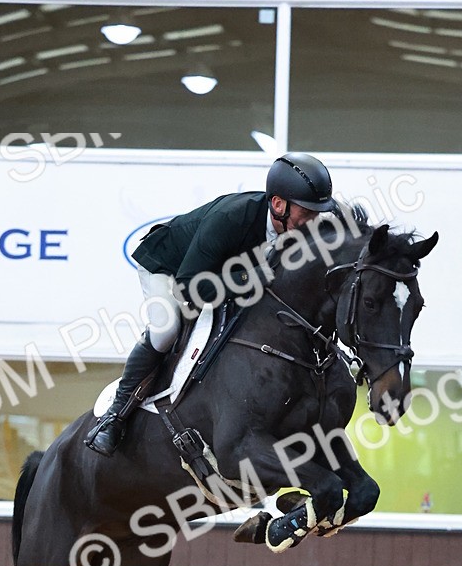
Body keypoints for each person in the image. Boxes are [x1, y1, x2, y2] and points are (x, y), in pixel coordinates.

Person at [85, 152, 335, 456]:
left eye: (317, 213)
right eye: (307, 213)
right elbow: (191, 287)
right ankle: (115, 416)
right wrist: (252, 276)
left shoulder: (294, 230)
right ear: (278, 205)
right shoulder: (234, 217)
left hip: (217, 277)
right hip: (169, 268)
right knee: (166, 330)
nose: (312, 222)